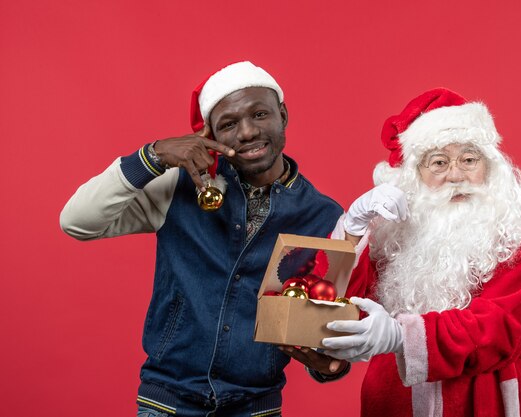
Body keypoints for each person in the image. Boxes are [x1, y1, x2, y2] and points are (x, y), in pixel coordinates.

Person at [60, 61, 348, 417]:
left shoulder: (324, 215)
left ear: (283, 115)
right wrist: (151, 156)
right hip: (167, 403)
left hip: (256, 407)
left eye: (260, 114)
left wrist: (328, 364)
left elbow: (321, 328)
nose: (246, 132)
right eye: (228, 124)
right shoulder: (180, 185)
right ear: (208, 134)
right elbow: (76, 221)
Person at [320, 88, 521, 416]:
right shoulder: (391, 237)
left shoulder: (519, 234)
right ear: (414, 176)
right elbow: (334, 305)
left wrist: (402, 337)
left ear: (489, 165)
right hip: (396, 400)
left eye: (469, 159)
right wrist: (353, 229)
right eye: (439, 162)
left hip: (491, 400)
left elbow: (499, 327)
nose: (456, 176)